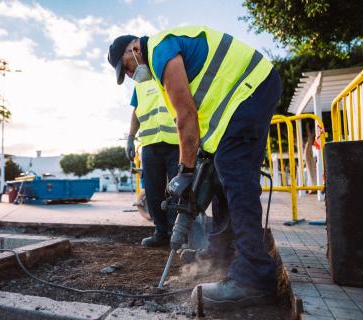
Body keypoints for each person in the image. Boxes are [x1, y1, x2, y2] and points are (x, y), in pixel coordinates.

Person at [108, 26, 282, 308]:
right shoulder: (159, 60)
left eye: (126, 68)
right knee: (220, 177)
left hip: (251, 88)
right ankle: (221, 253)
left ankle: (254, 276)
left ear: (135, 49)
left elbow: (186, 117)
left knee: (234, 173)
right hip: (244, 98)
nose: (129, 76)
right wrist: (199, 164)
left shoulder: (161, 50)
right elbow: (197, 116)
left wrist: (186, 172)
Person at [126, 78, 179, 247]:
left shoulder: (169, 72)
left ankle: (176, 233)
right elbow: (136, 112)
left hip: (176, 143)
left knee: (177, 190)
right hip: (150, 144)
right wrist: (130, 138)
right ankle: (161, 232)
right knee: (153, 192)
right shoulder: (140, 85)